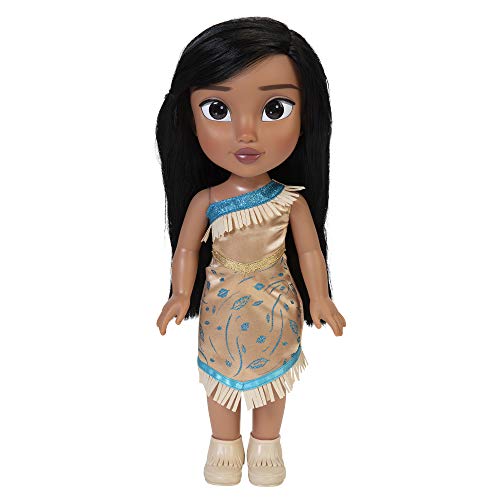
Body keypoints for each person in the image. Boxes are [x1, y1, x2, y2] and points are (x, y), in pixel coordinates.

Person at [155, 16, 346, 487]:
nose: (246, 133)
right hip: (221, 305)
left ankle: (266, 443)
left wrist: (320, 297)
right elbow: (186, 248)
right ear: (189, 117)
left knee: (272, 379)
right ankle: (223, 443)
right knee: (219, 380)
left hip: (274, 304)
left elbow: (309, 253)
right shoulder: (208, 200)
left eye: (274, 109)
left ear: (306, 116)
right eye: (218, 109)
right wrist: (180, 294)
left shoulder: (290, 200)